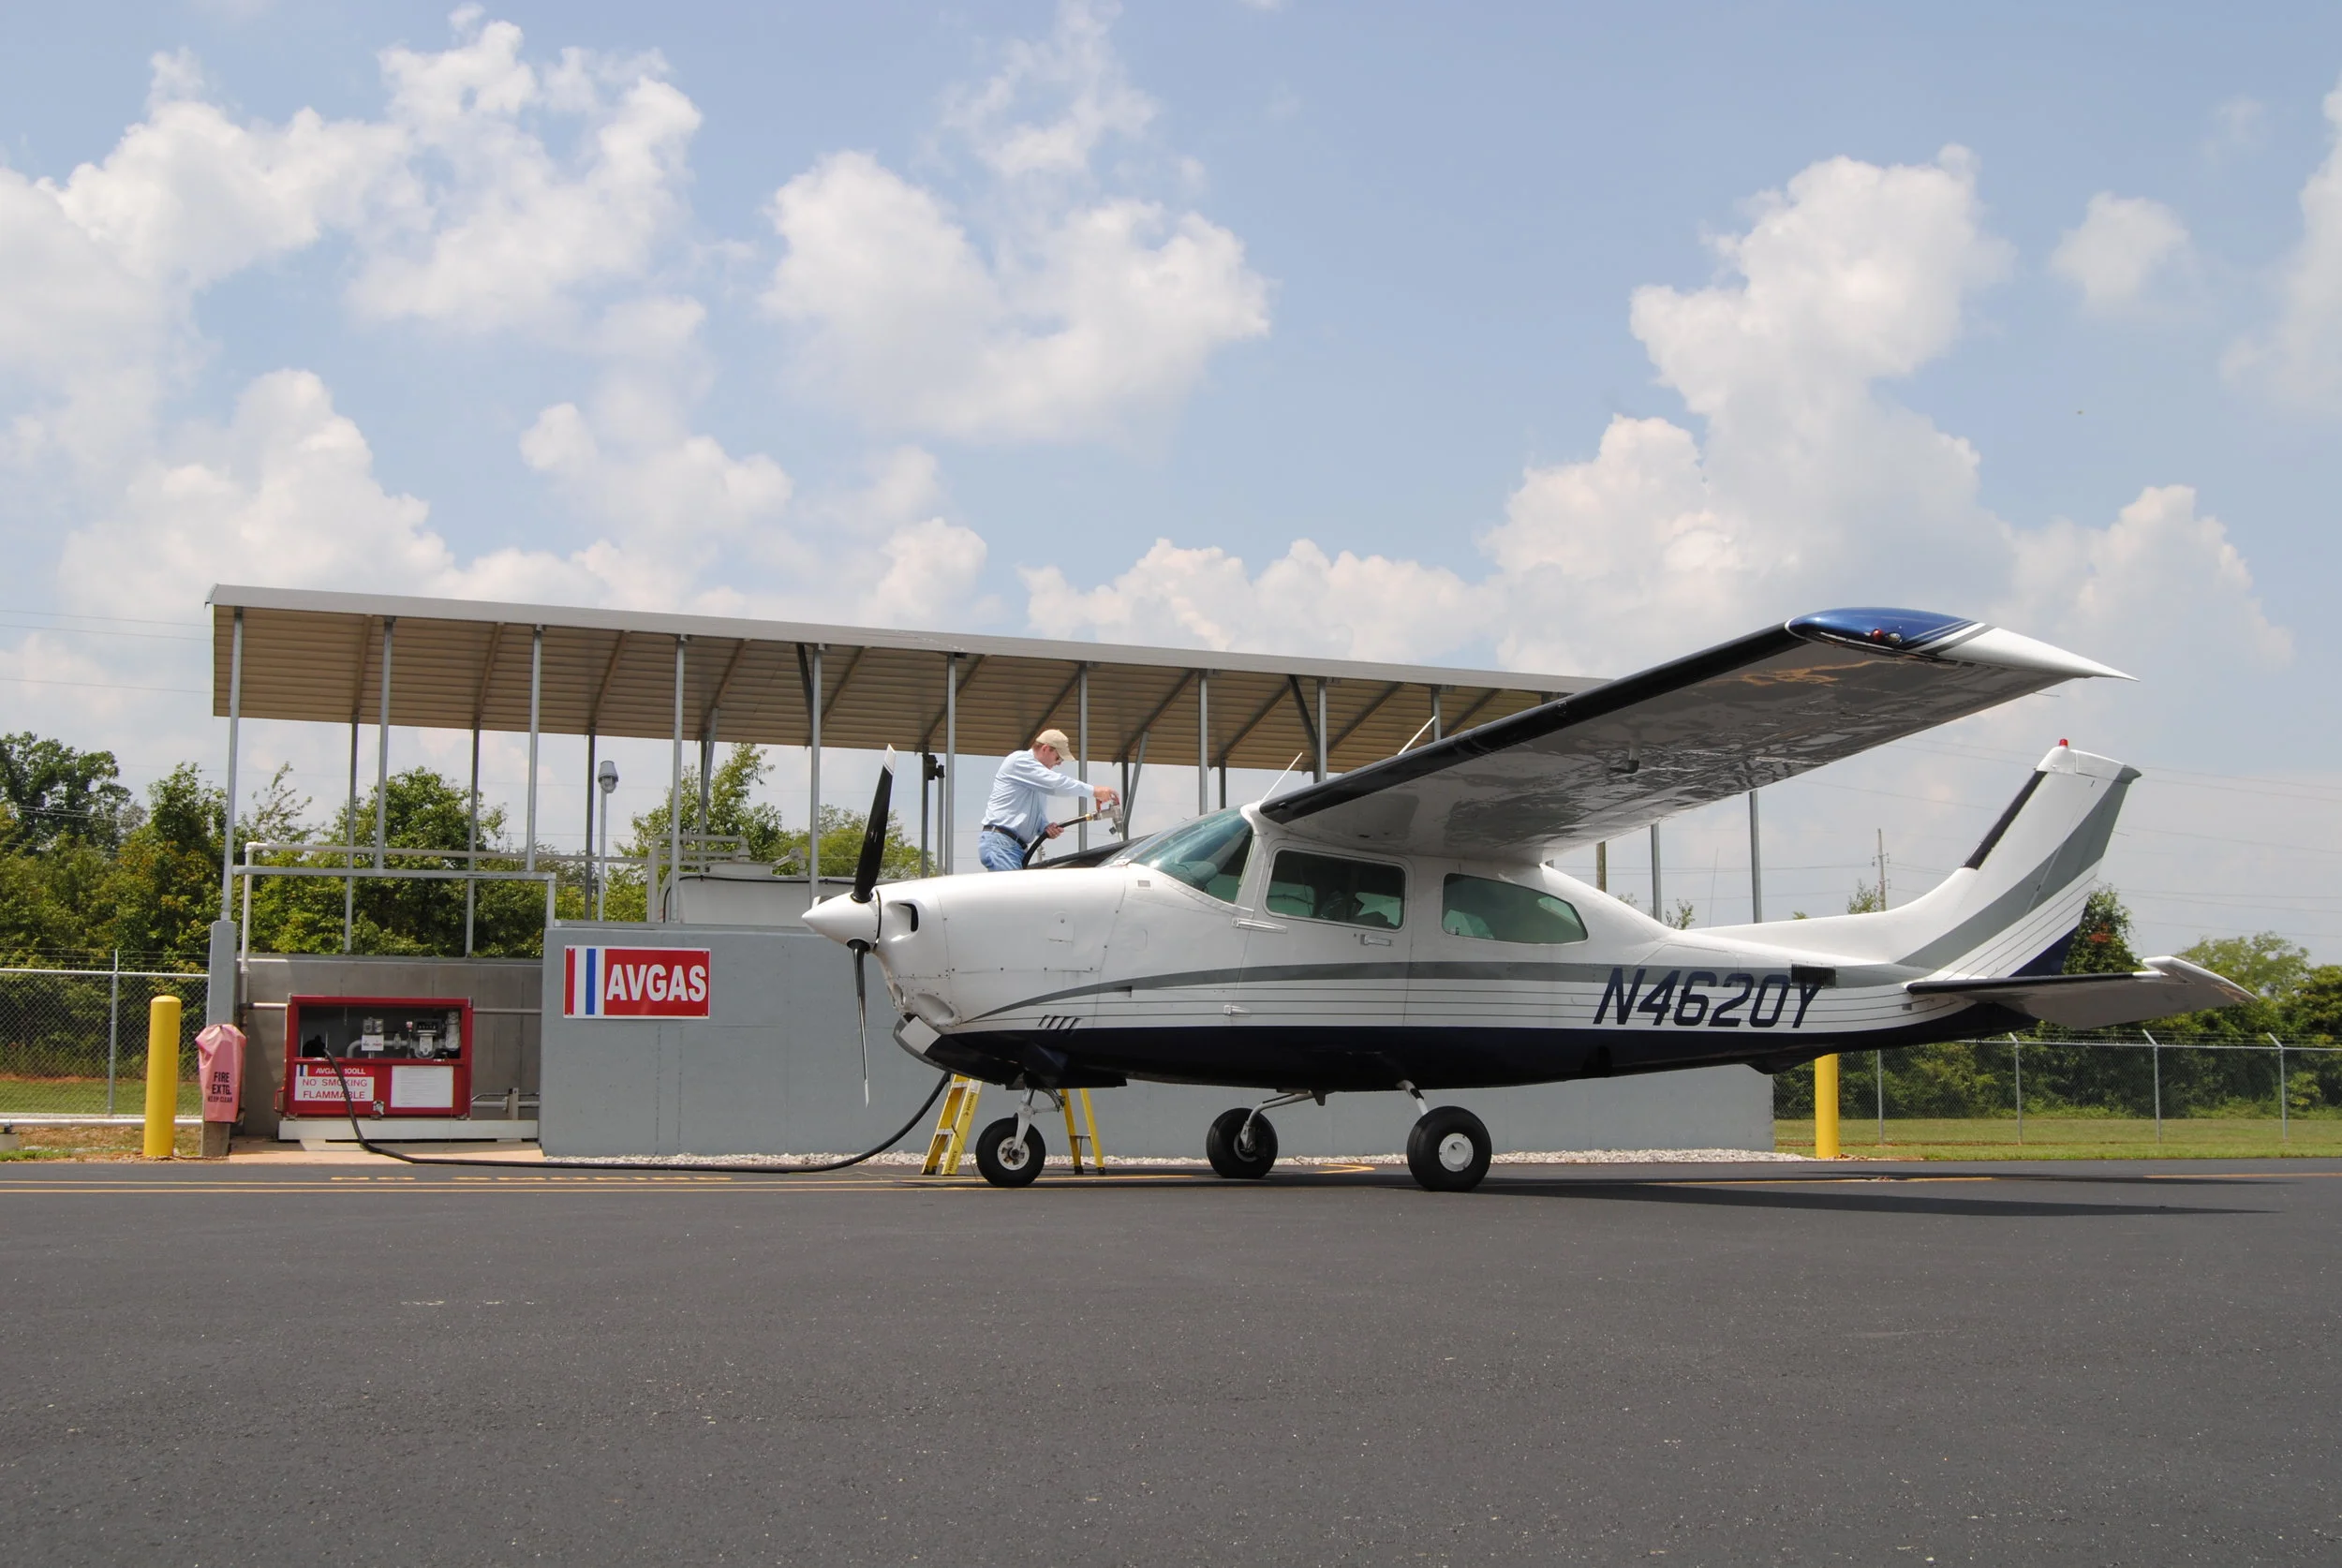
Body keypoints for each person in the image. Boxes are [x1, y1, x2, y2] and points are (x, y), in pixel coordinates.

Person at [977, 729, 1119, 872]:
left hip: (1010, 846)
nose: (1059, 764)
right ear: (1046, 749)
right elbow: (1056, 784)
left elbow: (1035, 813)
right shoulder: (1020, 760)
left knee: (1014, 892)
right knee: (1012, 893)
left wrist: (1045, 827)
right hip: (1002, 843)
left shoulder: (1036, 779)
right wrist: (1094, 791)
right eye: (1058, 758)